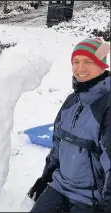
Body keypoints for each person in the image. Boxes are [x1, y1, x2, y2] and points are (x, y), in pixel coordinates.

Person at [28, 37, 111, 212]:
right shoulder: (71, 101)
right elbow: (58, 144)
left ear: (102, 65)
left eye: (89, 61)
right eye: (76, 61)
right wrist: (46, 178)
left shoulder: (106, 107)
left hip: (92, 198)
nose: (80, 68)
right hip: (60, 186)